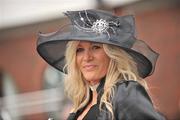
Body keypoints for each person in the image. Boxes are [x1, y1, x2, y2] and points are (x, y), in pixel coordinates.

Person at [37, 9, 166, 120]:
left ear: (112, 55)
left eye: (96, 47)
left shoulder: (125, 92)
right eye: (79, 50)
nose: (87, 57)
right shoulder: (82, 104)